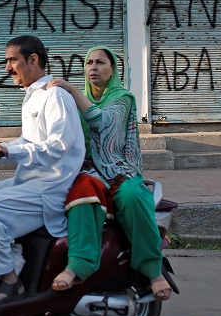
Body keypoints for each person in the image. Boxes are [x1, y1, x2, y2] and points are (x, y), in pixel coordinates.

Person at [0, 35, 85, 305]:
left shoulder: (54, 95)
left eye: (12, 60)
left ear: (33, 60)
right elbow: (30, 142)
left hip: (50, 188)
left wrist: (9, 150)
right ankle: (3, 260)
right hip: (29, 181)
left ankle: (9, 282)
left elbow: (57, 145)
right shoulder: (32, 97)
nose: (7, 68)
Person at [46, 46, 172, 301]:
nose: (93, 67)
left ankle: (153, 269)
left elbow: (101, 121)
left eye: (100, 63)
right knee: (82, 190)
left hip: (119, 168)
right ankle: (78, 265)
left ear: (112, 69)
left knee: (132, 195)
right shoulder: (74, 100)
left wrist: (70, 89)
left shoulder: (122, 98)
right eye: (89, 62)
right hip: (88, 168)